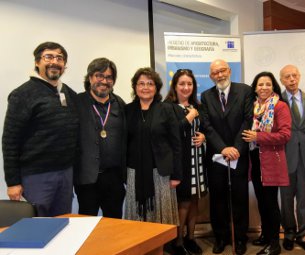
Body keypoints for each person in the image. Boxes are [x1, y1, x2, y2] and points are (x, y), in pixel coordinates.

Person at [2, 42, 79, 216]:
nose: (55, 62)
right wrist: (13, 182)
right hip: (37, 177)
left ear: (64, 65)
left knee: (63, 223)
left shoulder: (68, 93)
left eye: (59, 58)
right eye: (49, 57)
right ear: (37, 62)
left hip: (66, 174)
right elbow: (10, 140)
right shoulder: (23, 94)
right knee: (37, 228)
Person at [201, 59, 253, 255]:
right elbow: (207, 125)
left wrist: (236, 148)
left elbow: (248, 121)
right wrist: (223, 148)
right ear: (211, 76)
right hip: (216, 156)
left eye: (223, 70)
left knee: (239, 198)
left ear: (229, 71)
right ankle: (221, 237)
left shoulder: (245, 90)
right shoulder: (206, 96)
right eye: (215, 72)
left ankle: (240, 238)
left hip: (239, 154)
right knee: (218, 199)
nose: (220, 75)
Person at [124, 67, 182, 225]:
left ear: (156, 88)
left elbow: (176, 144)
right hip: (134, 173)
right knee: (136, 218)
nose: (145, 87)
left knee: (159, 219)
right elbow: (124, 143)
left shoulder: (166, 109)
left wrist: (177, 175)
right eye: (141, 83)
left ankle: (159, 248)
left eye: (150, 83)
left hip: (160, 174)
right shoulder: (127, 110)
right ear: (135, 87)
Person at [242, 71, 291, 255]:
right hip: (255, 161)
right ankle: (265, 234)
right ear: (255, 88)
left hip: (272, 161)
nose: (264, 88)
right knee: (262, 202)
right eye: (260, 84)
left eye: (268, 84)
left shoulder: (280, 107)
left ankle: (274, 243)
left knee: (270, 203)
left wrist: (258, 136)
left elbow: (285, 135)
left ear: (273, 87)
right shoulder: (252, 107)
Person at [74, 58, 126, 219]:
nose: (104, 81)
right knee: (85, 225)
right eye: (99, 76)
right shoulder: (77, 102)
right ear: (90, 78)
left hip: (114, 178)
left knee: (114, 224)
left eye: (109, 77)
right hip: (87, 178)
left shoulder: (120, 104)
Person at [164, 69, 207, 255]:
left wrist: (204, 136)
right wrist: (188, 118)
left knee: (195, 202)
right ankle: (177, 241)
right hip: (181, 162)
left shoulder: (197, 106)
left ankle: (191, 238)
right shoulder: (168, 107)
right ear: (174, 86)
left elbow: (205, 128)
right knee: (183, 203)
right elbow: (170, 133)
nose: (186, 87)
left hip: (197, 161)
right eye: (182, 83)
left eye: (189, 84)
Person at [278, 65, 305, 253]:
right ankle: (288, 233)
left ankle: (303, 235)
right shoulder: (276, 101)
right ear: (282, 80)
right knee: (286, 199)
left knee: (304, 199)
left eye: (294, 75)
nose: (292, 79)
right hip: (285, 156)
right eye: (287, 76)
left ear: (299, 77)